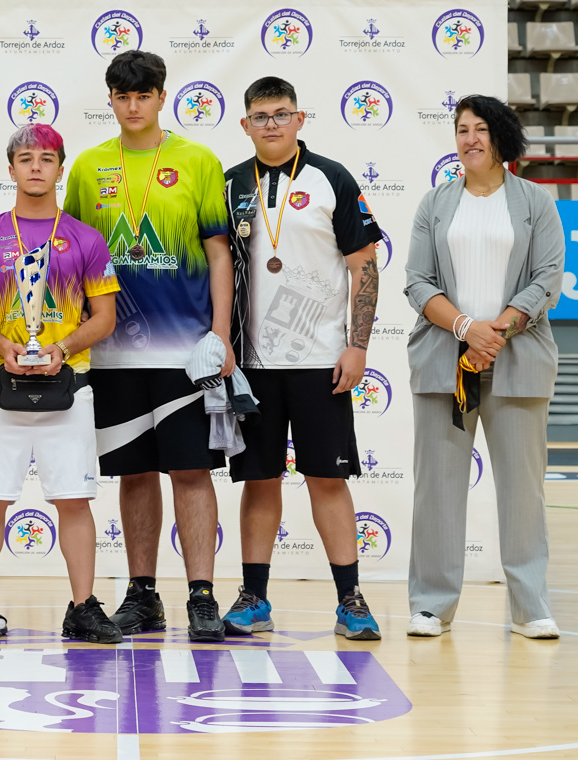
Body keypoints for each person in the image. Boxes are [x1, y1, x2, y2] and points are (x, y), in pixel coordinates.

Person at [63, 50, 234, 642]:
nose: (132, 106)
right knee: (135, 476)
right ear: (110, 99)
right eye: (121, 95)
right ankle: (142, 595)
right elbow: (70, 258)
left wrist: (221, 333)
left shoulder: (198, 160)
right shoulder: (87, 166)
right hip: (112, 353)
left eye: (143, 95)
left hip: (186, 349)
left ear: (163, 97)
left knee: (191, 472)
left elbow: (218, 253)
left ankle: (203, 596)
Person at [0, 124, 122, 644]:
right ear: (11, 167)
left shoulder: (85, 237)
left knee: (73, 499)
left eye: (46, 158)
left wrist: (61, 349)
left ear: (61, 168)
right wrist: (5, 348)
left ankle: (84, 607)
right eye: (25, 158)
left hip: (70, 384)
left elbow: (104, 316)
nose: (36, 166)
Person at [221, 77, 384, 640]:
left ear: (300, 119)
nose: (271, 123)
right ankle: (254, 598)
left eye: (281, 113)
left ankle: (351, 600)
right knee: (259, 481)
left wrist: (358, 345)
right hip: (250, 364)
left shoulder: (330, 178)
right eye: (260, 115)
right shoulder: (230, 184)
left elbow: (364, 265)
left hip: (320, 360)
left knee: (327, 480)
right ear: (245, 124)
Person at [404, 95, 564, 639]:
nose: (469, 139)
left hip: (517, 361)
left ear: (502, 137)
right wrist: (466, 330)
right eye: (461, 129)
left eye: (480, 129)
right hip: (443, 362)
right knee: (437, 491)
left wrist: (494, 334)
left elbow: (546, 280)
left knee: (523, 492)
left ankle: (530, 606)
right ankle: (430, 605)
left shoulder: (536, 202)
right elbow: (418, 282)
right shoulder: (435, 204)